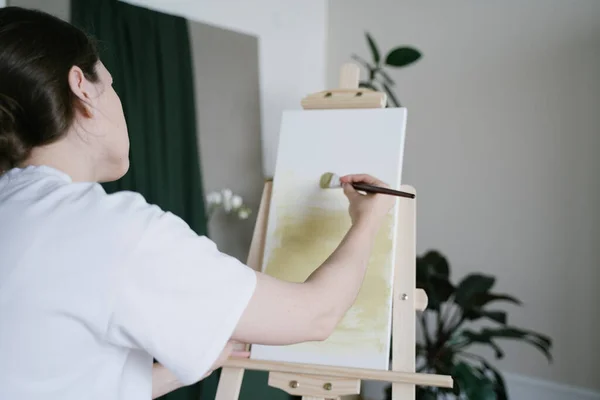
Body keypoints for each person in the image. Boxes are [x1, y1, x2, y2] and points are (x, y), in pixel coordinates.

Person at [0, 6, 395, 400]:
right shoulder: (112, 230)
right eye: (111, 83)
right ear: (82, 88)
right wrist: (367, 220)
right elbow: (315, 315)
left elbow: (65, 381)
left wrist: (177, 372)